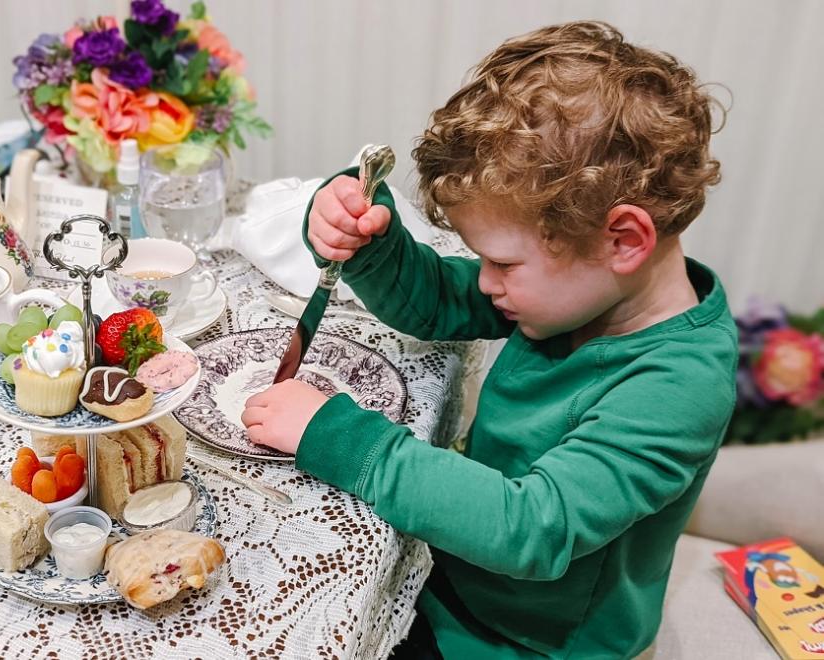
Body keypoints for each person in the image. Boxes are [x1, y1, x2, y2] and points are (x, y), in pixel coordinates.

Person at [242, 21, 737, 659]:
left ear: (623, 241)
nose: (485, 281)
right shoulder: (577, 291)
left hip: (523, 642)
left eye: (503, 264)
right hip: (459, 579)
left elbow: (530, 528)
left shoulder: (680, 386)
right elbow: (440, 301)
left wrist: (337, 437)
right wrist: (371, 243)